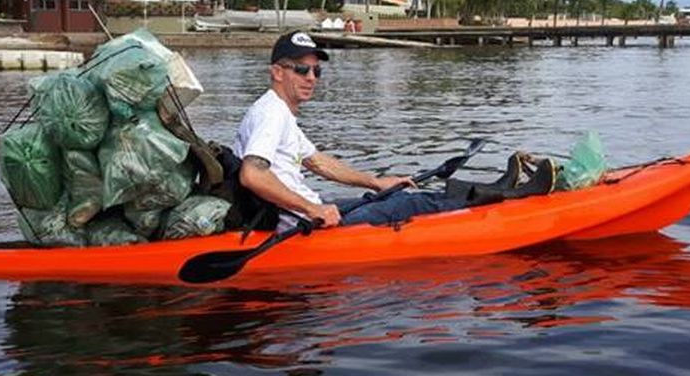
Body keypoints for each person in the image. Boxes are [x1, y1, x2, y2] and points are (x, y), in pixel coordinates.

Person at [233, 32, 552, 232]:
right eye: (301, 69)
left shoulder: (275, 111)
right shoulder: (271, 113)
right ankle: (508, 197)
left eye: (317, 69)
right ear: (276, 72)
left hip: (304, 211)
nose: (312, 77)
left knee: (392, 194)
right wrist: (312, 209)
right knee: (416, 204)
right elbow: (252, 175)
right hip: (302, 223)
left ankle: (499, 188)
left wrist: (376, 181)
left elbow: (318, 163)